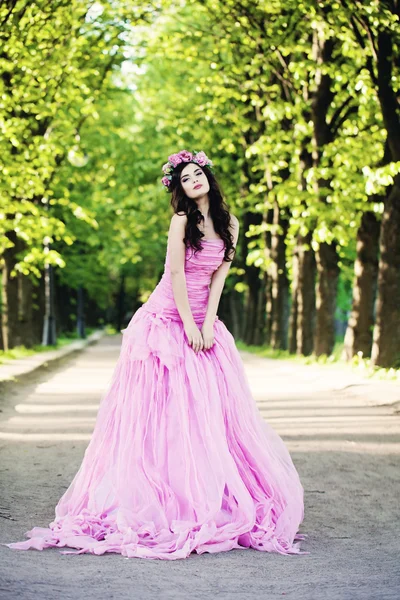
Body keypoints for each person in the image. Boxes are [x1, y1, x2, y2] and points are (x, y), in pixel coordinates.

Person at [4, 149, 308, 560]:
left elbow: (219, 276)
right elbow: (177, 274)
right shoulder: (182, 221)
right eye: (186, 178)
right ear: (179, 190)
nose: (194, 180)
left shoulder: (231, 223)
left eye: (198, 173)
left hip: (202, 319)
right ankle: (160, 497)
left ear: (208, 178)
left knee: (208, 412)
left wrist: (208, 324)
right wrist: (187, 326)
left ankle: (206, 491)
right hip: (166, 319)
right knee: (164, 412)